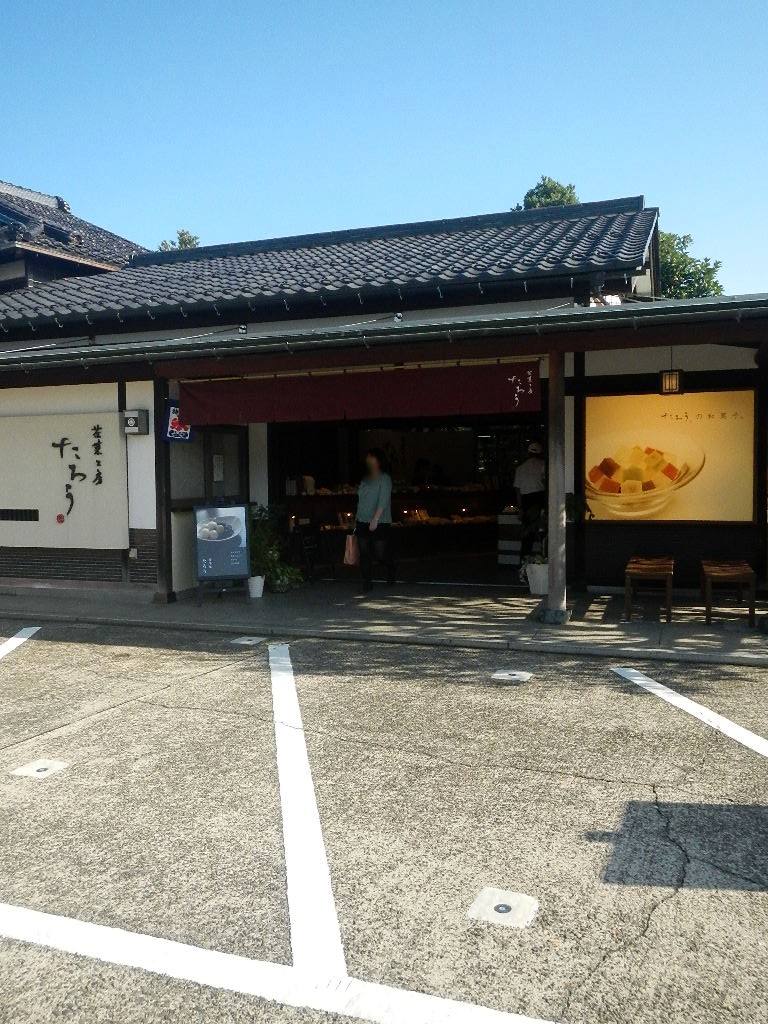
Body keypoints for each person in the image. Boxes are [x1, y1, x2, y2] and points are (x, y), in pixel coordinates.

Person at [356, 448, 395, 591]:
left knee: (380, 553)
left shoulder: (385, 479)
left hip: (380, 521)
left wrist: (375, 519)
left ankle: (391, 567)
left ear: (378, 460)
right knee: (363, 551)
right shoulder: (365, 479)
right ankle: (367, 581)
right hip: (362, 519)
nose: (367, 460)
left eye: (370, 457)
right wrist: (357, 518)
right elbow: (361, 500)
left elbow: (383, 501)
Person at [513, 441, 546, 557]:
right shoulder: (543, 465)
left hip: (526, 501)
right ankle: (545, 557)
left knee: (527, 534)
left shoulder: (520, 468)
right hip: (540, 499)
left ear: (528, 453)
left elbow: (518, 490)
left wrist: (520, 508)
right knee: (543, 531)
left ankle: (524, 559)